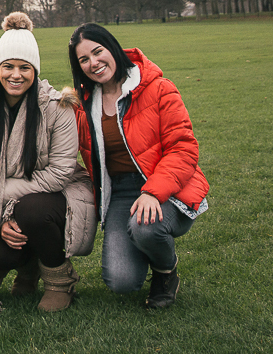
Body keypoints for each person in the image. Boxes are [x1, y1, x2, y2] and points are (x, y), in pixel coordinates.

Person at [0, 13, 95, 313]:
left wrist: (6, 200)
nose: (16, 75)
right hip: (0, 201)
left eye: (25, 67)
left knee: (32, 211)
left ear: (35, 70)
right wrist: (1, 220)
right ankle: (29, 264)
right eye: (8, 67)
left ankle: (60, 278)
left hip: (56, 196)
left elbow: (60, 173)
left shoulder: (57, 107)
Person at [69, 22, 210, 309]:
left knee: (145, 227)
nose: (93, 63)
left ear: (113, 48)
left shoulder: (158, 88)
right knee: (121, 281)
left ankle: (165, 271)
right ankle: (141, 246)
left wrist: (153, 192)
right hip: (119, 192)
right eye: (83, 59)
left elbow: (183, 148)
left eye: (98, 52)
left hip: (167, 188)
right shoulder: (82, 103)